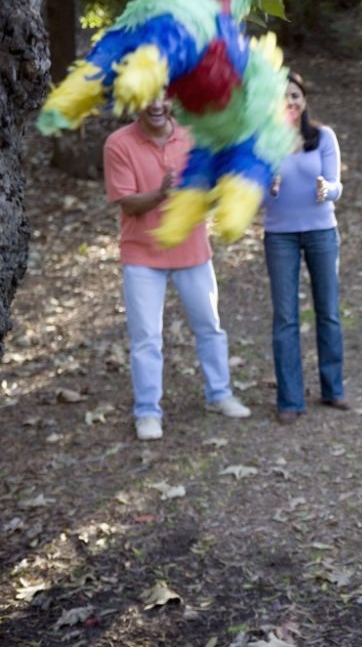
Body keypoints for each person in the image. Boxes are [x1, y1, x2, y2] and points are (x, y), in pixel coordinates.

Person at [104, 96, 250, 442]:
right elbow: (127, 202)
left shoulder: (193, 136)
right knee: (146, 339)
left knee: (210, 327)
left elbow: (212, 187)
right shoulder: (118, 143)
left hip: (192, 250)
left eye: (163, 96)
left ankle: (220, 394)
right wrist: (161, 193)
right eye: (148, 96)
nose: (156, 104)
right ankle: (148, 412)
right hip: (143, 254)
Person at [262, 71, 348, 423]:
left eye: (295, 95)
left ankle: (333, 389)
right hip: (279, 235)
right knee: (285, 318)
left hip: (320, 232)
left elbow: (337, 185)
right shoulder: (263, 141)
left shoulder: (323, 137)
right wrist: (267, 186)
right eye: (283, 97)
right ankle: (290, 399)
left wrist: (326, 189)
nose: (291, 102)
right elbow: (252, 192)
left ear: (304, 100)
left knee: (327, 311)